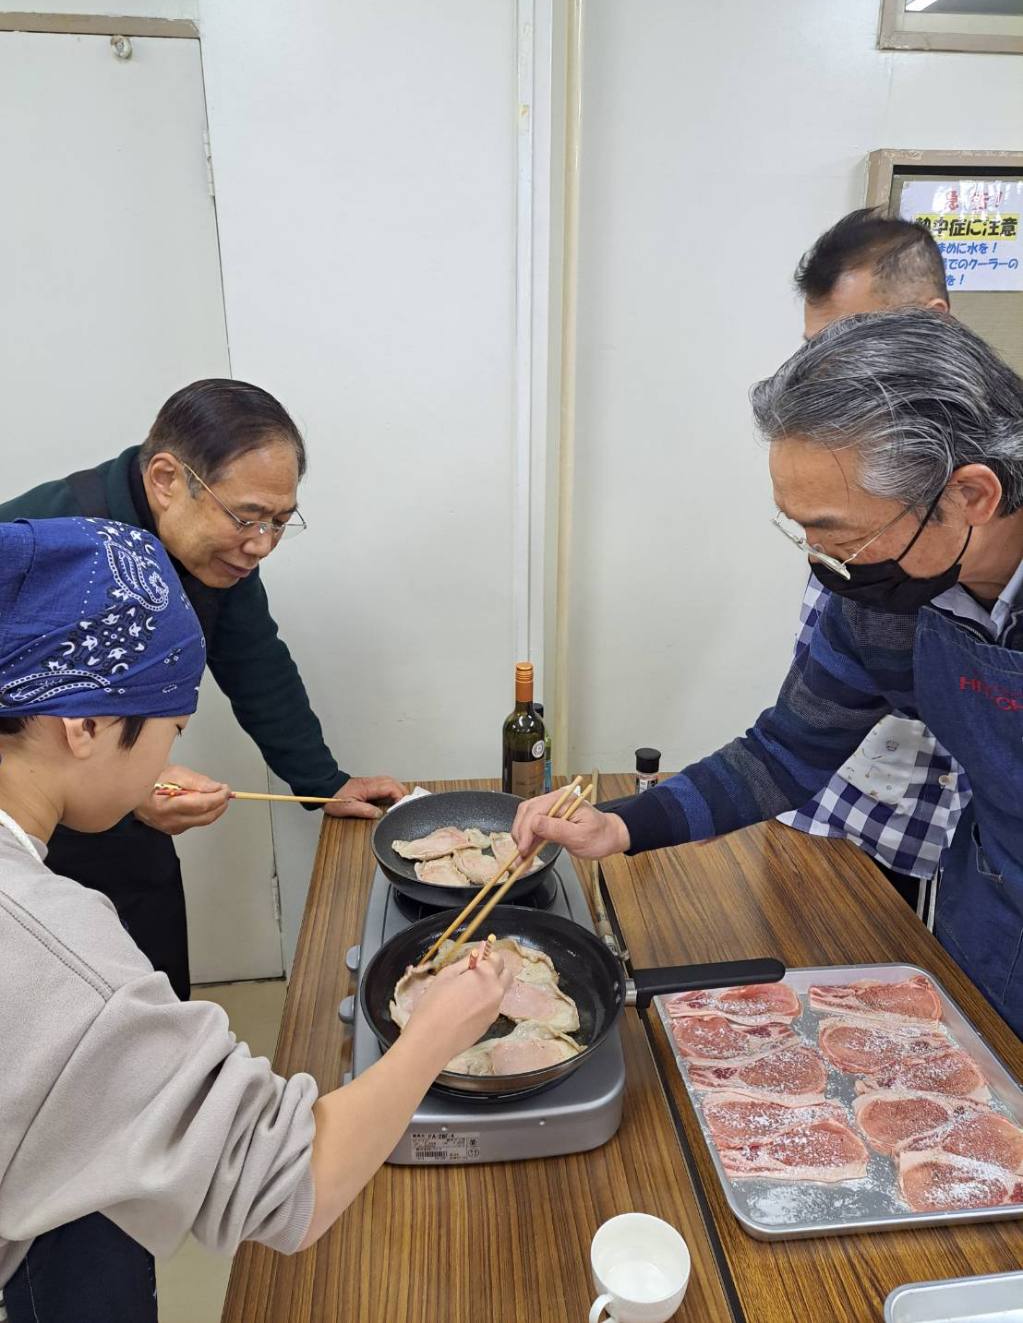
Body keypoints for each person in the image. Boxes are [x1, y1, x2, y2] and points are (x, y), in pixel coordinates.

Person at [0, 516, 509, 1323]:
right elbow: (291, 1183)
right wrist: (434, 1033)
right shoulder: (63, 960)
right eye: (171, 724)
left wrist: (129, 795)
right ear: (84, 725)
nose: (172, 747)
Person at [514, 310, 1023, 1039]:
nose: (820, 556)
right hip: (997, 906)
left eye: (840, 531)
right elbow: (785, 750)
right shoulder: (880, 600)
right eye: (801, 528)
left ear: (970, 495)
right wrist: (620, 826)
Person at [0, 379, 405, 999]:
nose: (261, 544)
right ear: (167, 479)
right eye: (247, 518)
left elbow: (255, 659)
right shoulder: (44, 540)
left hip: (123, 821)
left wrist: (322, 783)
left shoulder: (222, 554)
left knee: (154, 979)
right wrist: (129, 788)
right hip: (23, 846)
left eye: (278, 522)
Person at [776, 208, 966, 915]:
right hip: (826, 791)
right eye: (812, 350)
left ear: (934, 322)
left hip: (931, 834)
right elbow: (792, 731)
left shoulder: (971, 472)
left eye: (856, 345)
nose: (826, 376)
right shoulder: (849, 438)